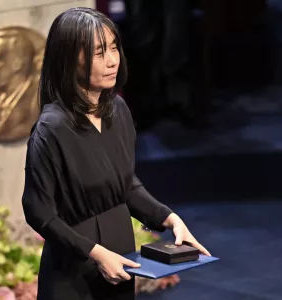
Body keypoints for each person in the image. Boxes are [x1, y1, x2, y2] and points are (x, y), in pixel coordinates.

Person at [21, 7, 210, 300]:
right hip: (73, 267)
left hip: (120, 256)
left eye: (113, 48)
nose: (112, 61)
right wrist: (95, 254)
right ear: (71, 59)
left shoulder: (118, 110)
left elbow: (125, 185)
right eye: (99, 53)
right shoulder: (51, 127)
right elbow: (39, 212)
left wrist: (169, 219)